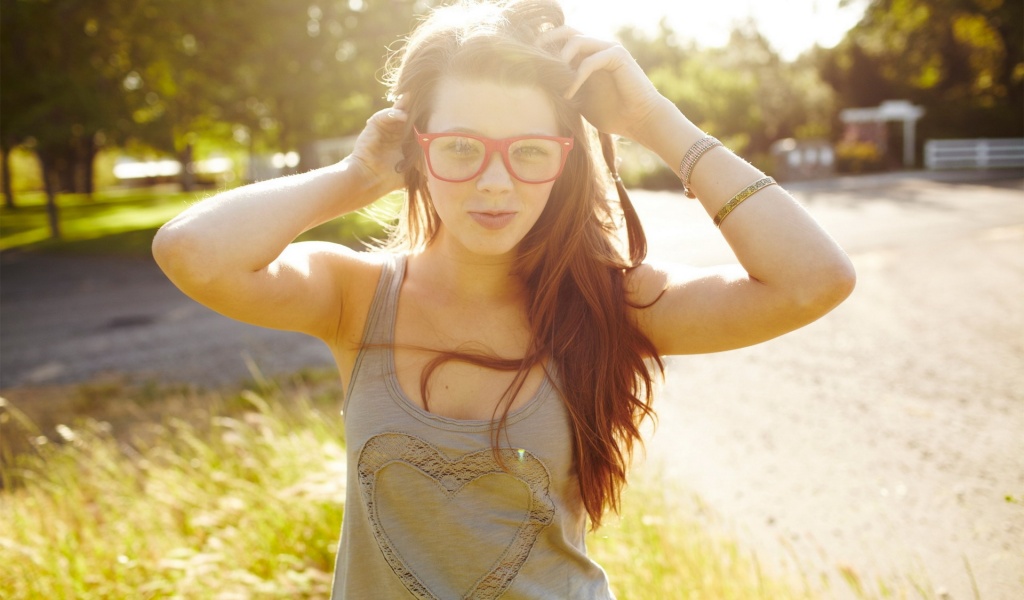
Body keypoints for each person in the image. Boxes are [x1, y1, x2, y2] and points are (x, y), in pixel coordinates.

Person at [152, 0, 856, 597]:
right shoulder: (355, 297)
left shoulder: (611, 301)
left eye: (528, 151)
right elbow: (191, 252)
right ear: (417, 151)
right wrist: (354, 175)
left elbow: (814, 280)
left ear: (563, 159)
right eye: (461, 148)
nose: (495, 183)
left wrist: (651, 118)